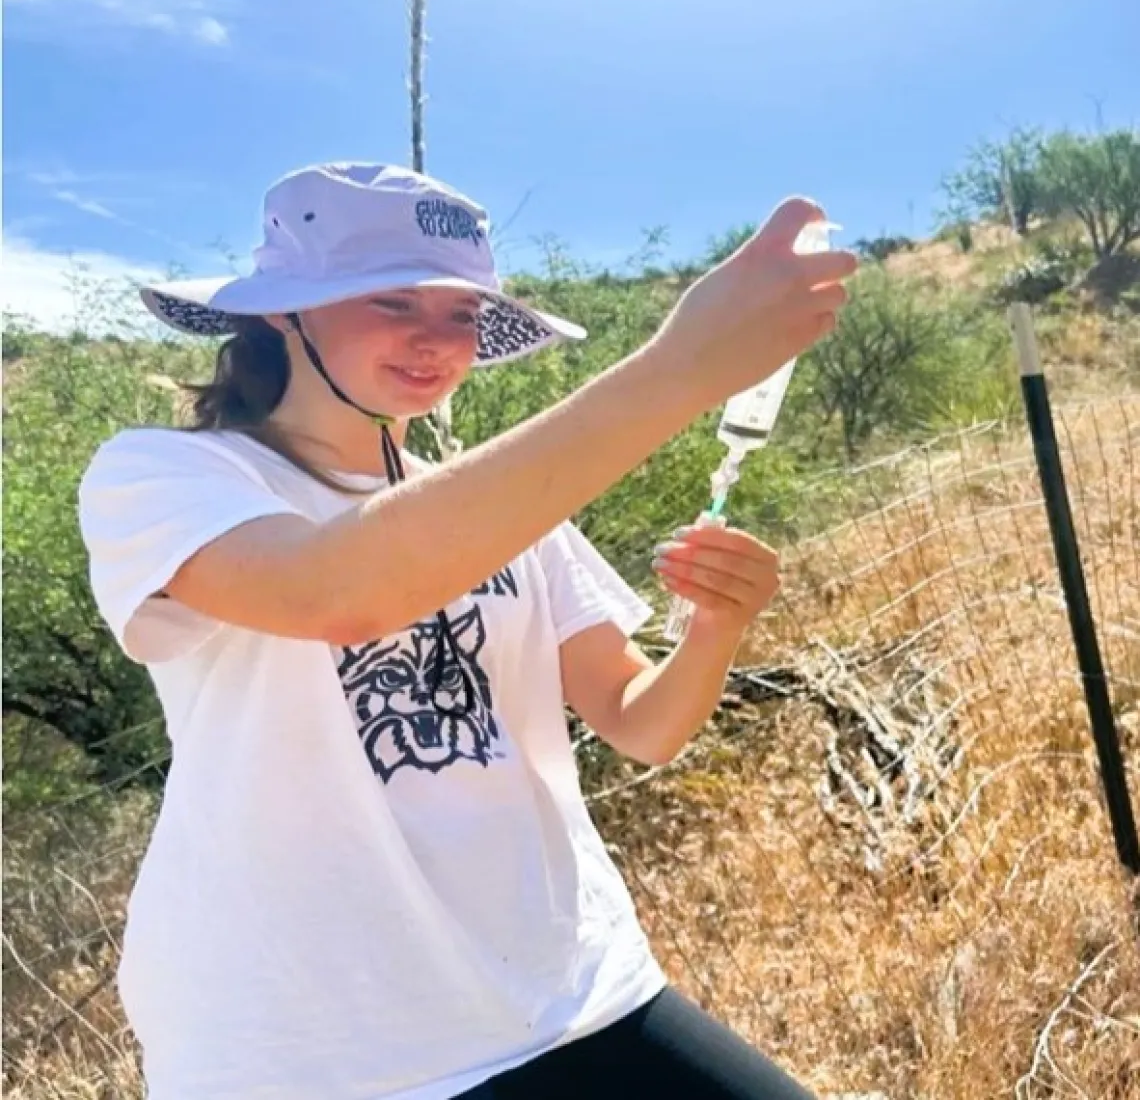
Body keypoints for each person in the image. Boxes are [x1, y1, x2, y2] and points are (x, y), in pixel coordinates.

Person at [77, 162, 856, 1100]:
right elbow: (338, 589)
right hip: (319, 1050)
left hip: (574, 986)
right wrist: (679, 368)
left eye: (461, 313)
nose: (435, 341)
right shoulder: (163, 478)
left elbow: (640, 722)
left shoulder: (506, 503)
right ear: (284, 312)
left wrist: (716, 629)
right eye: (392, 302)